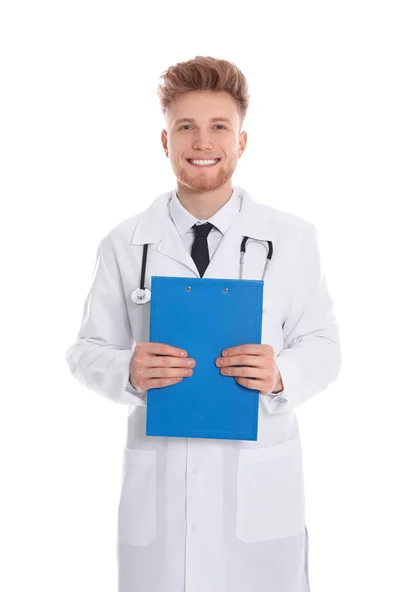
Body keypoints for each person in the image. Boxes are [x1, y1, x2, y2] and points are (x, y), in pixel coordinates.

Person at [65, 55, 341, 592]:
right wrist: (128, 368)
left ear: (241, 142)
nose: (202, 141)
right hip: (161, 494)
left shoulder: (292, 239)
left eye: (219, 126)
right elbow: (85, 350)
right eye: (185, 126)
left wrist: (281, 373)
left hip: (259, 491)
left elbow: (325, 346)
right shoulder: (125, 244)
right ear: (164, 141)